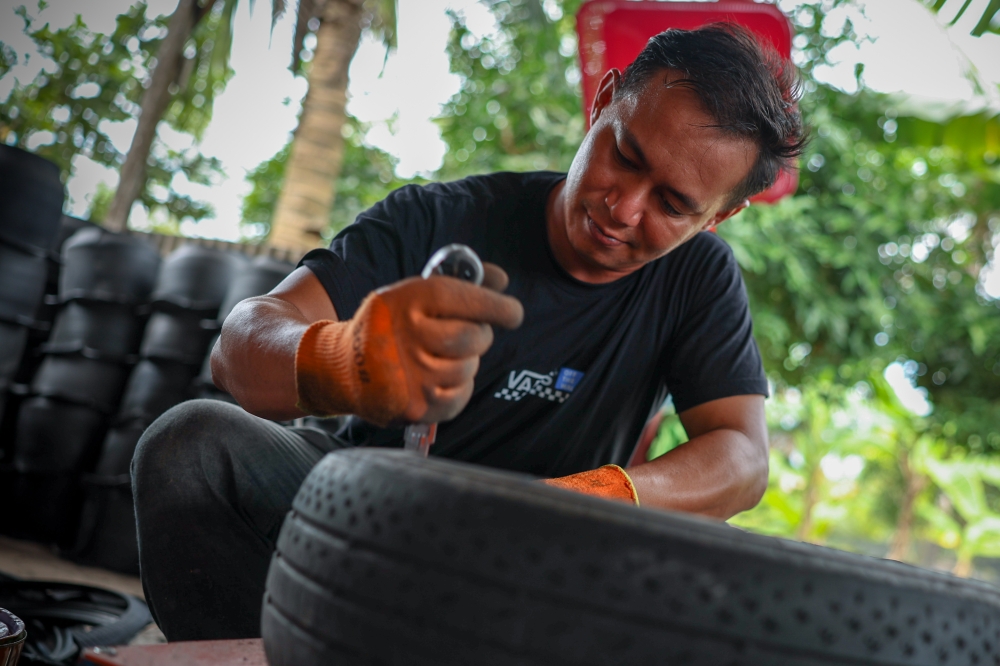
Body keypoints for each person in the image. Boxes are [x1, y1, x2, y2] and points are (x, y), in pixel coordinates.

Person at [132, 22, 804, 641]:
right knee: (189, 445)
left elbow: (741, 461)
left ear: (721, 214)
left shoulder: (697, 280)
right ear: (603, 100)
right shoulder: (437, 219)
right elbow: (239, 348)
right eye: (625, 155)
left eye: (673, 204)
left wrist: (594, 498)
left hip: (531, 567)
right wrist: (344, 359)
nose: (623, 207)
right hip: (359, 516)